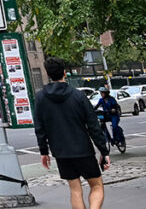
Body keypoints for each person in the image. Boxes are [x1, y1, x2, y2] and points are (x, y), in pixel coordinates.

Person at [33, 57, 110, 209]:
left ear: (48, 74)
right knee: (96, 186)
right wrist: (103, 150)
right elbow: (93, 124)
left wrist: (44, 151)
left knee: (75, 189)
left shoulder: (41, 98)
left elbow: (39, 127)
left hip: (61, 152)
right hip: (83, 149)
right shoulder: (78, 95)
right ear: (64, 73)